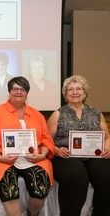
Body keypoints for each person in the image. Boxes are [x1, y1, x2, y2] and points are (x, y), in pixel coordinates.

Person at [0, 76, 56, 216]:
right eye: (15, 89)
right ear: (9, 92)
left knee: (40, 185)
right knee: (8, 186)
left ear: (27, 93)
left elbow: (46, 139)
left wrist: (41, 155)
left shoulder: (37, 114)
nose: (18, 92)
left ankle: (32, 213)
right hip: (4, 160)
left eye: (22, 89)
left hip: (34, 159)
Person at [47, 75, 110, 216]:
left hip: (94, 155)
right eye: (70, 89)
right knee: (76, 178)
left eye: (78, 89)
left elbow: (107, 136)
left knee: (107, 177)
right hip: (66, 156)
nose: (75, 92)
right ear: (65, 94)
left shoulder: (96, 112)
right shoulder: (58, 114)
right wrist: (57, 150)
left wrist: (108, 147)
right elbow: (46, 140)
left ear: (85, 92)